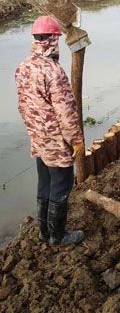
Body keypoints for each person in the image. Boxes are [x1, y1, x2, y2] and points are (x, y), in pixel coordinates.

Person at [15, 15, 85, 246]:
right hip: (56, 140)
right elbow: (65, 112)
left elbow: (22, 106)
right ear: (53, 40)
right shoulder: (54, 71)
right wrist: (75, 141)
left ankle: (43, 232)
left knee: (44, 182)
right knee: (62, 185)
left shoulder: (23, 68)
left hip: (37, 138)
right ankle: (58, 236)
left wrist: (35, 131)